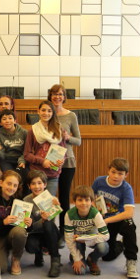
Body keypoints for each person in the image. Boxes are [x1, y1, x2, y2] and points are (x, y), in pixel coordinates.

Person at [92, 157, 139, 279]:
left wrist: (106, 220)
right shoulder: (99, 181)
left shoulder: (126, 188)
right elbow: (91, 199)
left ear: (126, 175)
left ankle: (131, 261)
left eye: (120, 174)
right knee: (107, 256)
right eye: (113, 172)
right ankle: (120, 245)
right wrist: (96, 212)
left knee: (130, 226)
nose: (116, 176)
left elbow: (129, 213)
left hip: (117, 218)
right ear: (108, 171)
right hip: (104, 219)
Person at [49, 84, 82, 247]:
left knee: (63, 198)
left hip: (67, 161)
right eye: (54, 94)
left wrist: (68, 137)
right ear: (50, 96)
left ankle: (63, 232)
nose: (57, 97)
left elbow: (79, 141)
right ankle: (49, 231)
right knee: (49, 199)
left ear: (64, 97)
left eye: (60, 94)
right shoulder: (46, 113)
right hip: (49, 162)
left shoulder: (71, 116)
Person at [0, 170, 30, 275]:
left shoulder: (19, 200)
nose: (11, 188)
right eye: (9, 183)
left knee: (20, 232)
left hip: (13, 234)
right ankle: (2, 252)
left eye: (15, 185)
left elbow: (25, 228)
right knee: (1, 269)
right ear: (1, 183)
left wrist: (29, 223)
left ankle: (16, 259)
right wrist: (3, 222)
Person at [23, 170, 62, 277]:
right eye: (33, 183)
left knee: (48, 223)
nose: (37, 186)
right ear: (29, 186)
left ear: (45, 184)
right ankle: (38, 252)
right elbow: (30, 227)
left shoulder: (51, 199)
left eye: (40, 183)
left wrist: (56, 207)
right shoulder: (26, 201)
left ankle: (55, 259)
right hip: (36, 233)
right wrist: (41, 221)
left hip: (50, 233)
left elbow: (52, 224)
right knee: (30, 245)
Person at [24, 100, 66, 196]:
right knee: (36, 206)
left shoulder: (59, 130)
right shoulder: (32, 130)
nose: (46, 113)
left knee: (49, 207)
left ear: (53, 113)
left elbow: (64, 153)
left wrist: (61, 160)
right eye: (43, 110)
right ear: (38, 111)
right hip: (36, 175)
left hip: (52, 174)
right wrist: (42, 161)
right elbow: (27, 155)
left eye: (49, 111)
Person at [65, 185, 109, 276]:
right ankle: (76, 256)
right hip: (77, 242)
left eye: (87, 200)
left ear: (91, 201)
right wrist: (77, 259)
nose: (84, 203)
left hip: (92, 239)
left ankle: (91, 259)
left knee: (104, 247)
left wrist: (85, 239)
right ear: (74, 201)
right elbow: (68, 238)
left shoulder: (96, 214)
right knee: (81, 272)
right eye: (80, 200)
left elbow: (105, 235)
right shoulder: (69, 215)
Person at [0, 109, 28, 183]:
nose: (7, 121)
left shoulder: (24, 132)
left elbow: (27, 150)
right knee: (8, 177)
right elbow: (2, 157)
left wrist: (22, 161)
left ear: (15, 120)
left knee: (25, 175)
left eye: (10, 118)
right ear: (0, 123)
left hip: (21, 159)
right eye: (4, 119)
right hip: (7, 161)